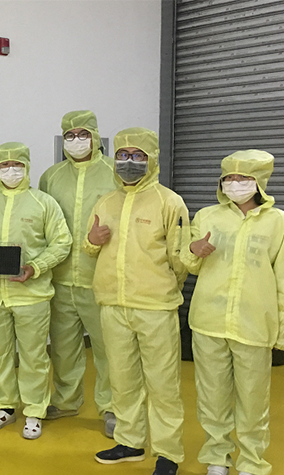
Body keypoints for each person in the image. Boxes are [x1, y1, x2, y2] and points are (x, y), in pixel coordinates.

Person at [85, 128, 188, 475]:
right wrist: (92, 239)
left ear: (152, 159)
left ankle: (168, 453)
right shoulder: (106, 202)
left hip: (155, 307)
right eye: (122, 155)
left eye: (138, 155)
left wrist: (162, 288)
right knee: (122, 378)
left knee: (163, 383)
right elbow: (90, 247)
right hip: (113, 304)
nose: (129, 162)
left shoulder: (169, 202)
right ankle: (130, 441)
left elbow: (180, 260)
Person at [181, 150, 284, 475]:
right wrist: (193, 250)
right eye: (229, 177)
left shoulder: (278, 222)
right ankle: (217, 457)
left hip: (254, 325)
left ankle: (252, 462)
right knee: (211, 397)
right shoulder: (207, 216)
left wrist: (281, 331)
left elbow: (283, 280)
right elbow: (189, 264)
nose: (234, 183)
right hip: (208, 321)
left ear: (259, 181)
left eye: (243, 178)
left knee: (253, 402)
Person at [0, 142, 72, 440]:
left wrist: (35, 267)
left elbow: (62, 242)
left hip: (32, 296)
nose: (10, 170)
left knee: (34, 357)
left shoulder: (43, 203)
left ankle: (34, 410)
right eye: (4, 165)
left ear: (27, 166)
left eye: (17, 165)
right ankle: (5, 405)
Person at [38, 110, 116, 437]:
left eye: (83, 134)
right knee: (63, 347)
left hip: (100, 278)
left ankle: (112, 407)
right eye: (69, 135)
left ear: (96, 136)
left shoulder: (114, 173)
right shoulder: (51, 177)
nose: (76, 140)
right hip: (59, 277)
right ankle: (66, 401)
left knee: (108, 349)